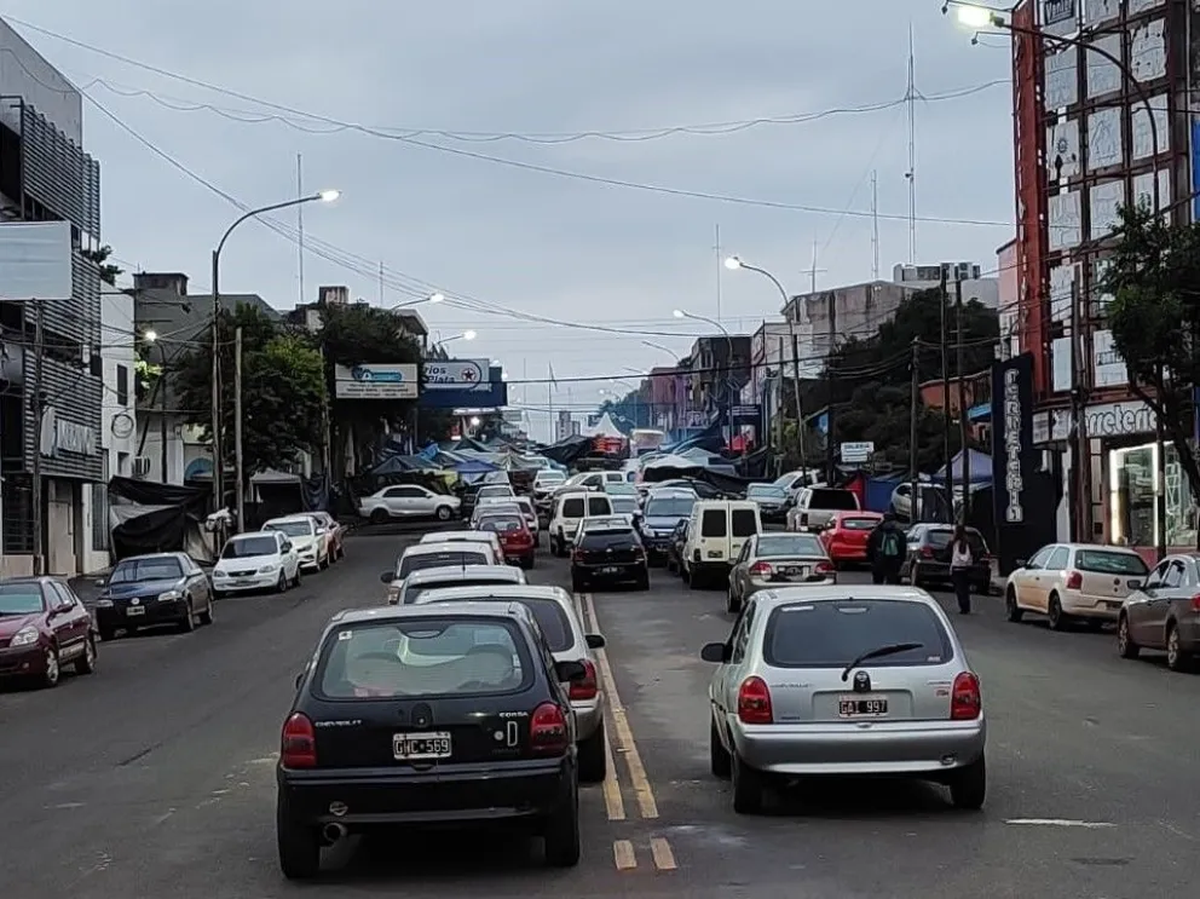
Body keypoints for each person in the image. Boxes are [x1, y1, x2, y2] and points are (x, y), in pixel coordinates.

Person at [868, 511, 906, 585]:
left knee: (878, 583)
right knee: (891, 583)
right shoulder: (899, 533)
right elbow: (903, 549)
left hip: (879, 562)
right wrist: (900, 562)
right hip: (894, 562)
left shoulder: (876, 532)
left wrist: (872, 561)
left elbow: (870, 548)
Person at [949, 524, 974, 614]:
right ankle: (966, 606)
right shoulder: (968, 543)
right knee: (965, 588)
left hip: (956, 568)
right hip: (966, 569)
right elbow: (973, 554)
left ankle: (962, 606)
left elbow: (947, 555)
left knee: (959, 589)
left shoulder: (953, 543)